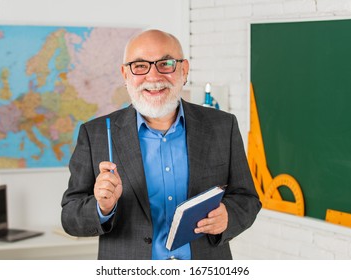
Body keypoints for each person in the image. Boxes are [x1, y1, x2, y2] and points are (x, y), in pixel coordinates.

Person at [61, 29, 261, 260]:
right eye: (139, 65)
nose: (154, 77)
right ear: (125, 74)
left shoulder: (222, 126)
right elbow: (69, 218)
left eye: (166, 63)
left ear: (183, 70)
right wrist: (102, 207)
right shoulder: (94, 133)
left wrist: (229, 216)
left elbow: (247, 199)